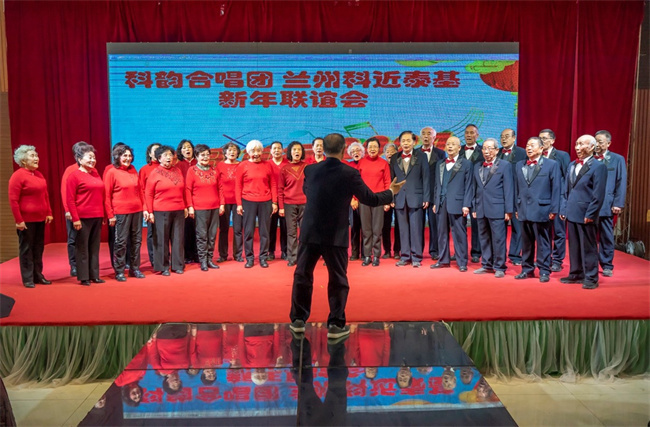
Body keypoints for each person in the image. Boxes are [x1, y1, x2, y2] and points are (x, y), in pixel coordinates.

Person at [289, 133, 403, 340]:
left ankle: (298, 320)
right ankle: (335, 324)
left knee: (302, 275)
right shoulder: (350, 173)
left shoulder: (311, 170)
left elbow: (308, 192)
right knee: (338, 279)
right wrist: (391, 192)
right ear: (343, 151)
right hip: (336, 233)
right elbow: (369, 198)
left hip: (310, 231)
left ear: (323, 150)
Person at [560, 135, 607, 289]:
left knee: (589, 247)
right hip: (572, 212)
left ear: (592, 147)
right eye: (576, 144)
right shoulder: (572, 165)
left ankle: (591, 277)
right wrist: (564, 208)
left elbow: (598, 194)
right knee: (574, 246)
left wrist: (591, 214)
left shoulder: (598, 166)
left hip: (586, 213)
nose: (577, 147)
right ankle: (576, 273)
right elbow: (566, 190)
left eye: (581, 144)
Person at [514, 137, 561, 283]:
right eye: (527, 145)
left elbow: (556, 188)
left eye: (532, 145)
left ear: (541, 148)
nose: (528, 148)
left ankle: (544, 270)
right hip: (524, 209)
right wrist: (517, 206)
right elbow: (516, 188)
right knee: (526, 242)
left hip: (542, 209)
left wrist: (554, 209)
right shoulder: (519, 164)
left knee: (543, 242)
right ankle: (526, 269)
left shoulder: (551, 164)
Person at [8, 145, 53, 288]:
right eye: (32, 156)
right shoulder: (17, 176)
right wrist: (19, 220)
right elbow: (13, 200)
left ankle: (38, 275)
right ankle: (28, 278)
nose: (36, 158)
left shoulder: (39, 174)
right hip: (26, 221)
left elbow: (45, 195)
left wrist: (49, 212)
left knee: (38, 248)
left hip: (40, 219)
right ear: (23, 160)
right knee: (26, 249)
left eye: (36, 155)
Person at [471, 138, 514, 277]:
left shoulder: (505, 165)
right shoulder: (477, 166)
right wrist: (474, 207)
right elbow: (475, 189)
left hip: (497, 208)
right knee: (484, 238)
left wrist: (508, 210)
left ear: (496, 150)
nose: (486, 151)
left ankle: (500, 266)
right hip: (481, 208)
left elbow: (508, 189)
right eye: (484, 148)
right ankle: (486, 264)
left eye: (490, 148)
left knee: (498, 239)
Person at [104, 144, 147, 281]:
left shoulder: (133, 170)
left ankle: (135, 268)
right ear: (117, 157)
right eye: (125, 156)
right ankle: (120, 271)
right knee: (121, 242)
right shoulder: (111, 172)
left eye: (129, 156)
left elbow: (140, 191)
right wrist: (110, 215)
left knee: (137, 240)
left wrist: (144, 208)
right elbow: (106, 196)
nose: (128, 158)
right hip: (121, 212)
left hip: (137, 211)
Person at [431, 136, 473, 272]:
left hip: (458, 203)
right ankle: (443, 260)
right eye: (448, 144)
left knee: (459, 233)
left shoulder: (466, 164)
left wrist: (466, 204)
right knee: (441, 233)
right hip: (441, 203)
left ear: (459, 147)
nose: (449, 146)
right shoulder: (440, 163)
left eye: (453, 144)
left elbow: (469, 186)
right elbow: (437, 185)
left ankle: (462, 262)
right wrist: (435, 201)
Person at [145, 145, 188, 276]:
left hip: (178, 209)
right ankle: (163, 266)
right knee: (161, 239)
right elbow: (148, 194)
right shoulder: (155, 173)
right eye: (165, 155)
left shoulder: (177, 170)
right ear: (159, 158)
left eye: (170, 155)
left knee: (178, 238)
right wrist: (150, 212)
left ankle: (177, 265)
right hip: (160, 210)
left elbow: (183, 190)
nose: (169, 157)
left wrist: (185, 206)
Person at [66, 143, 105, 286]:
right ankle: (84, 276)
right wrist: (75, 219)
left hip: (97, 216)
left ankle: (94, 275)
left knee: (94, 247)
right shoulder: (74, 176)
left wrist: (103, 215)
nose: (93, 160)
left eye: (94, 157)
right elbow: (70, 200)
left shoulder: (95, 173)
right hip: (82, 217)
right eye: (89, 157)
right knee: (82, 247)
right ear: (79, 159)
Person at [390, 131, 429, 268]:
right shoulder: (395, 158)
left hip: (416, 197)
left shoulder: (422, 156)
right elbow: (392, 180)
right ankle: (405, 256)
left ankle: (416, 257)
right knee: (403, 229)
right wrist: (391, 197)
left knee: (416, 228)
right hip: (400, 198)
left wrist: (426, 197)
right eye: (403, 141)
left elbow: (426, 177)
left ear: (414, 142)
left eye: (408, 140)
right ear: (400, 143)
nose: (405, 143)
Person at [236, 140, 278, 268]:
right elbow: (238, 186)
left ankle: (263, 257)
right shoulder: (243, 165)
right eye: (253, 151)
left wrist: (274, 202)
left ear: (262, 151)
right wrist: (239, 204)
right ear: (248, 152)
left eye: (258, 150)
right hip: (248, 201)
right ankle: (249, 258)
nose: (256, 153)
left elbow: (273, 184)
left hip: (266, 201)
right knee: (249, 231)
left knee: (264, 232)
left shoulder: (268, 165)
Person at [594, 130, 627, 277]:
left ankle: (607, 265)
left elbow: (621, 182)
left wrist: (618, 203)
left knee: (606, 236)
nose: (597, 144)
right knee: (589, 236)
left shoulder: (617, 159)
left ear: (608, 143)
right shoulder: (590, 158)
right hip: (589, 205)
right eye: (595, 141)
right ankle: (589, 263)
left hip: (606, 204)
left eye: (600, 142)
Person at [185, 144, 221, 272]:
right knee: (202, 235)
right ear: (196, 156)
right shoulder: (192, 171)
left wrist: (221, 204)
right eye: (202, 155)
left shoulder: (214, 170)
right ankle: (203, 261)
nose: (205, 157)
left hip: (214, 207)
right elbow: (188, 190)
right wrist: (190, 206)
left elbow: (220, 188)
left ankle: (210, 259)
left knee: (212, 235)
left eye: (207, 154)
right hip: (199, 208)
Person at [539, 129, 570, 272]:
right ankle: (544, 258)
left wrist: (564, 202)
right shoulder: (537, 156)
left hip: (558, 199)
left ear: (552, 140)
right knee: (543, 231)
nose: (542, 141)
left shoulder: (562, 155)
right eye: (540, 138)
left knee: (558, 231)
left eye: (545, 138)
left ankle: (557, 259)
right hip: (542, 200)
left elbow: (567, 178)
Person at [357, 137, 391, 266]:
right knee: (366, 229)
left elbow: (387, 182)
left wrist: (387, 200)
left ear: (379, 149)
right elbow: (356, 182)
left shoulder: (384, 163)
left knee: (377, 229)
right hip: (364, 200)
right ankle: (367, 255)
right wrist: (355, 198)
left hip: (379, 200)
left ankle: (376, 255)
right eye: (370, 147)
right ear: (366, 149)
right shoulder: (361, 163)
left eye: (375, 147)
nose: (372, 149)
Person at [497, 129, 527, 266]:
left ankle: (515, 255)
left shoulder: (522, 153)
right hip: (499, 196)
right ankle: (499, 255)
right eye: (502, 137)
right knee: (499, 228)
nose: (504, 139)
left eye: (507, 136)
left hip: (516, 195)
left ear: (514, 138)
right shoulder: (496, 153)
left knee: (517, 227)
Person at [61, 141, 90, 277]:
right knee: (73, 238)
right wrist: (68, 210)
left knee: (86, 239)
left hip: (87, 212)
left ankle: (86, 264)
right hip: (73, 211)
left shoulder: (91, 169)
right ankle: (74, 265)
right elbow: (65, 191)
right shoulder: (70, 170)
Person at [418, 126, 445, 261]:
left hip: (434, 195)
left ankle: (434, 250)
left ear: (434, 137)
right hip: (418, 194)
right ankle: (417, 251)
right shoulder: (415, 153)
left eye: (429, 134)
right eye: (423, 134)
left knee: (434, 225)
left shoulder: (441, 154)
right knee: (418, 225)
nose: (426, 136)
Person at [279, 141, 307, 267]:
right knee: (291, 232)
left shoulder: (307, 167)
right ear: (290, 152)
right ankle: (292, 257)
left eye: (299, 149)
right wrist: (281, 207)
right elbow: (280, 189)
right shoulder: (284, 169)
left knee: (305, 231)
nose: (297, 152)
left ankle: (304, 257)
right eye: (294, 149)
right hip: (289, 204)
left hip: (305, 203)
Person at [216, 142, 244, 262]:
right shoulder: (220, 166)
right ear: (225, 153)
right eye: (229, 150)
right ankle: (223, 255)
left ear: (238, 153)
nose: (232, 152)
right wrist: (221, 203)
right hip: (224, 201)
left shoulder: (242, 165)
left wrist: (241, 202)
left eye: (234, 150)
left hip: (239, 201)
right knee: (224, 229)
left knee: (238, 229)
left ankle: (238, 255)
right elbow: (217, 185)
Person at [461, 124, 484, 263]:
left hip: (477, 193)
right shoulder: (458, 151)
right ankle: (460, 251)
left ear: (477, 135)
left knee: (476, 224)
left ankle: (476, 252)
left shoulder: (483, 151)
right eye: (466, 133)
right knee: (459, 225)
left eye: (472, 133)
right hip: (460, 193)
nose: (469, 135)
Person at [176, 139, 198, 264]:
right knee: (186, 229)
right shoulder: (178, 166)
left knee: (198, 229)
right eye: (184, 147)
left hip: (199, 200)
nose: (187, 149)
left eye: (189, 147)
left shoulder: (199, 162)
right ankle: (187, 255)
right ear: (180, 151)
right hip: (184, 201)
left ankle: (198, 254)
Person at [139, 143, 161, 268]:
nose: (158, 152)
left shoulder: (168, 168)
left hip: (165, 207)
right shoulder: (144, 169)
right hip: (151, 207)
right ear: (149, 154)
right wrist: (146, 208)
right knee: (152, 233)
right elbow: (142, 191)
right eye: (155, 150)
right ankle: (154, 259)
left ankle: (165, 257)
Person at [268, 141, 289, 261]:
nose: (276, 150)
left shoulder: (287, 164)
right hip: (270, 201)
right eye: (274, 148)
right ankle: (270, 251)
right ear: (270, 151)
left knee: (285, 227)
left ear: (283, 150)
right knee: (270, 227)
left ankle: (285, 251)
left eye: (279, 148)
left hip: (285, 200)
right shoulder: (267, 164)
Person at [381, 143, 400, 259]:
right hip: (386, 200)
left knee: (399, 225)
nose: (390, 154)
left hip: (399, 199)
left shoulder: (400, 165)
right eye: (387, 152)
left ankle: (397, 250)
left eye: (392, 152)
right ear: (384, 154)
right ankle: (387, 250)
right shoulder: (383, 165)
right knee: (385, 225)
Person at [347, 142, 365, 261]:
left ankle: (365, 252)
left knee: (365, 228)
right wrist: (352, 199)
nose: (355, 153)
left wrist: (359, 198)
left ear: (362, 152)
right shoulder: (348, 166)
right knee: (354, 227)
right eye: (353, 151)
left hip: (364, 200)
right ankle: (354, 252)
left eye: (358, 150)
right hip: (352, 201)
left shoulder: (366, 164)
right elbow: (346, 184)